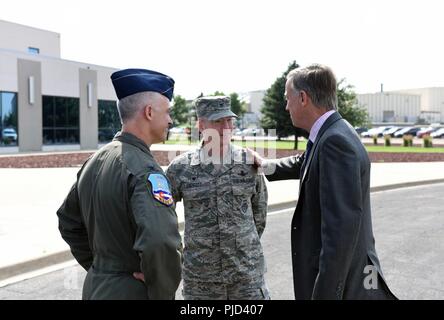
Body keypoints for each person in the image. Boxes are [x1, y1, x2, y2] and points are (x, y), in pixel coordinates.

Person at [252, 64, 397, 300]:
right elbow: (306, 161)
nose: (286, 106)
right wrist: (263, 164)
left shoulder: (334, 142)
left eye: (288, 98)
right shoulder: (333, 132)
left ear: (303, 98)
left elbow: (339, 233)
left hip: (344, 284)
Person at [56, 68, 182, 300]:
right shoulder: (145, 170)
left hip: (96, 288)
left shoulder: (94, 161)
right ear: (149, 112)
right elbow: (160, 242)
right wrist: (159, 291)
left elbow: (68, 222)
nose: (170, 120)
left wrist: (103, 269)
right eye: (168, 112)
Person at [166, 96, 269, 300]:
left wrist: (240, 246)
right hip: (201, 281)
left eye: (229, 121)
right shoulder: (180, 169)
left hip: (246, 277)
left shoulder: (249, 164)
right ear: (201, 124)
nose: (225, 127)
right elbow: (161, 217)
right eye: (218, 121)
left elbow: (259, 215)